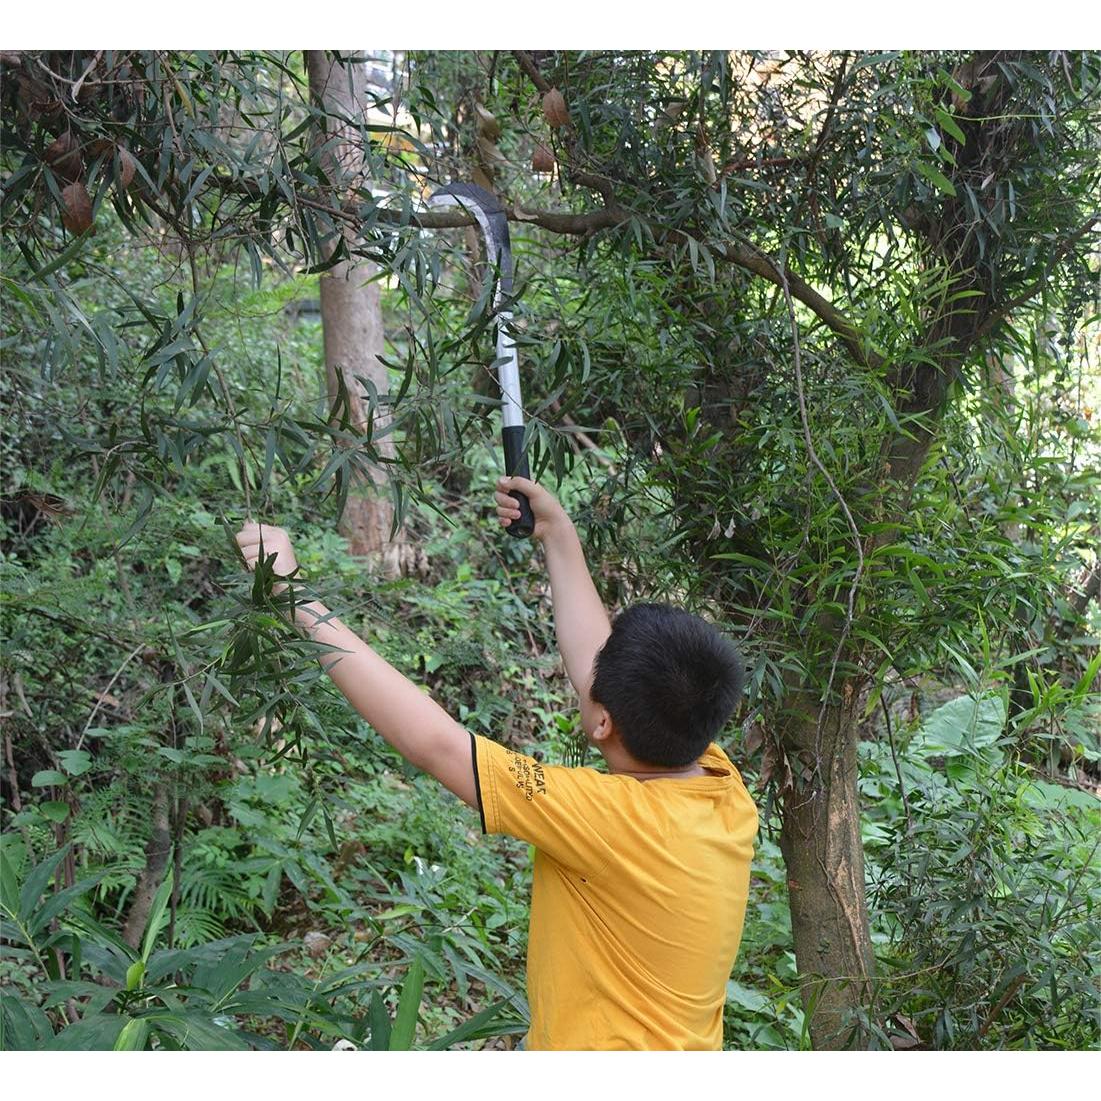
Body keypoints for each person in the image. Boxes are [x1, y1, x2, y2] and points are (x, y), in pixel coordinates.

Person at [235, 476, 758, 1051]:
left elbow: (435, 744)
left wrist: (297, 601)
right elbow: (602, 671)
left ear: (604, 721)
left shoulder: (610, 817)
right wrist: (557, 534)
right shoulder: (716, 779)